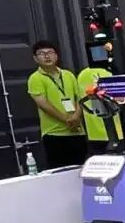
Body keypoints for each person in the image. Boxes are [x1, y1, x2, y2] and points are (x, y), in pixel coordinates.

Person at [26, 40, 86, 170]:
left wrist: (76, 116)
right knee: (60, 172)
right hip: (54, 134)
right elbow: (43, 104)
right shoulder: (35, 78)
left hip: (77, 132)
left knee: (81, 170)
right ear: (35, 58)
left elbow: (80, 98)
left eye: (50, 52)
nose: (47, 56)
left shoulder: (68, 75)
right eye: (42, 54)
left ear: (56, 55)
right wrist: (67, 119)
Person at [77, 60, 125, 155]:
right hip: (115, 131)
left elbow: (79, 100)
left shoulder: (82, 74)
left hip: (93, 132)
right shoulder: (111, 72)